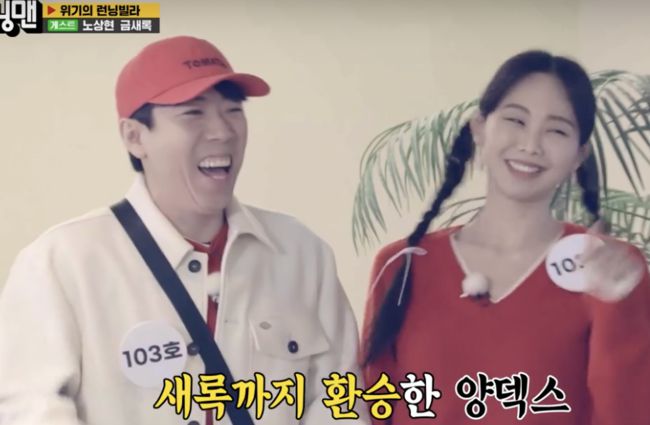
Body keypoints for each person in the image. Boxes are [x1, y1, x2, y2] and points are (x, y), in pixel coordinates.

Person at [0, 35, 368, 425]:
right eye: (193, 113)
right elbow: (30, 409)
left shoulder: (302, 254)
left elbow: (338, 402)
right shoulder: (62, 262)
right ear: (134, 136)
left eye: (233, 110)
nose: (222, 131)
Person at [360, 50, 650, 425]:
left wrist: (617, 305)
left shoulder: (610, 268)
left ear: (580, 155)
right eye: (516, 120)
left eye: (557, 130)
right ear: (480, 128)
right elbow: (372, 406)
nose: (531, 145)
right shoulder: (402, 264)